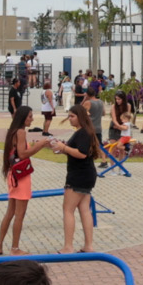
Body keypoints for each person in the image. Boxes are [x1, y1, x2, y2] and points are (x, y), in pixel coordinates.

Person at [0, 102, 64, 256]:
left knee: (10, 212)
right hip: (21, 177)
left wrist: (37, 145)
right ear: (23, 118)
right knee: (19, 214)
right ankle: (15, 248)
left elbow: (17, 151)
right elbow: (23, 154)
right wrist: (40, 145)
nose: (32, 119)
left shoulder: (12, 131)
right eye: (30, 116)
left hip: (12, 175)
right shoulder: (21, 132)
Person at [57, 102, 104, 252]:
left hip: (79, 175)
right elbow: (78, 151)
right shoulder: (85, 132)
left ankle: (68, 246)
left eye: (72, 116)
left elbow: (82, 153)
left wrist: (64, 147)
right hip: (86, 174)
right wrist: (62, 149)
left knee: (68, 210)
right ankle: (88, 245)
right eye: (69, 116)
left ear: (80, 117)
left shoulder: (83, 132)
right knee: (84, 210)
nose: (69, 119)